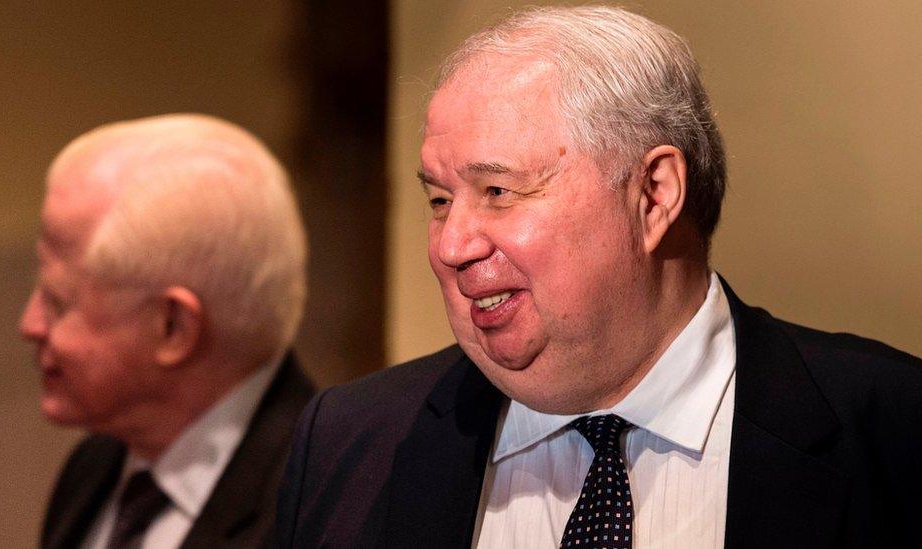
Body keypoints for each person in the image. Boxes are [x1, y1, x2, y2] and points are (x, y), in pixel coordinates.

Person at [275, 5, 922, 548]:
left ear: (654, 194)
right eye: (440, 200)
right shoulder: (349, 440)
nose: (451, 245)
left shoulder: (894, 430)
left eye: (498, 190)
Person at [20, 113, 313, 548]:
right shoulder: (93, 467)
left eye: (58, 302)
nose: (30, 324)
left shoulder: (318, 503)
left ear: (173, 327)